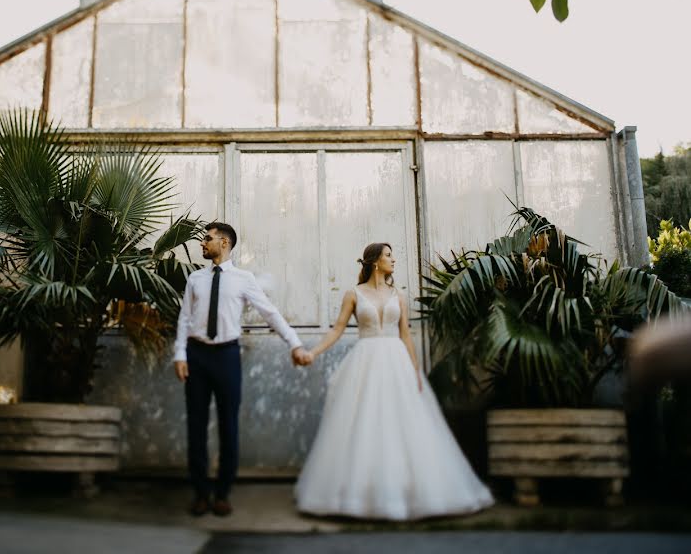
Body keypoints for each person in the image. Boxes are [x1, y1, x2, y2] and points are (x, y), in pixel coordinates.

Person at [294, 242, 493, 520]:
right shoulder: (354, 294)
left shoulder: (397, 295)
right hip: (365, 361)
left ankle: (411, 489)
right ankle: (362, 491)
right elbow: (337, 330)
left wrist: (415, 371)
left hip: (396, 362)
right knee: (365, 425)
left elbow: (406, 335)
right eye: (388, 255)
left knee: (405, 424)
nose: (393, 260)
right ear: (375, 261)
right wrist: (312, 352)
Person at [173, 221, 309, 517]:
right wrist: (180, 354)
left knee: (228, 425)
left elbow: (270, 313)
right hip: (196, 355)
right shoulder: (195, 278)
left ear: (224, 242)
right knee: (196, 426)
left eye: (207, 239)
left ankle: (222, 493)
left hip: (226, 357)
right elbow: (184, 318)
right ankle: (200, 492)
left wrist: (295, 343)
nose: (202, 244)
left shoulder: (244, 279)